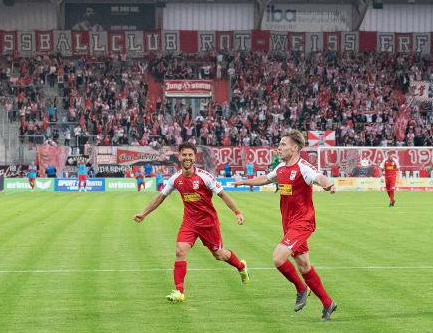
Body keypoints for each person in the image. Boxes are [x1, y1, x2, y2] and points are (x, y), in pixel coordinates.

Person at [234, 130, 337, 321]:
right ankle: (327, 303)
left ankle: (301, 289)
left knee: (278, 258)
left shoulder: (303, 168)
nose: (278, 147)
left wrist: (328, 184)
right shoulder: (281, 169)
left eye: (282, 144)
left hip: (303, 222)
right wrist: (243, 182)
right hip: (289, 224)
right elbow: (265, 179)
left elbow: (318, 177)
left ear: (294, 147)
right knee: (304, 266)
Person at [134, 142, 249, 302]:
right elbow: (160, 197)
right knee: (180, 251)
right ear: (179, 157)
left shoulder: (205, 177)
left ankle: (241, 266)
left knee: (219, 255)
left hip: (209, 224)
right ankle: (179, 291)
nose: (187, 158)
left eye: (190, 155)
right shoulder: (175, 179)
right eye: (184, 155)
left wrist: (237, 212)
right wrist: (143, 214)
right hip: (189, 223)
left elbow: (223, 195)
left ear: (194, 157)